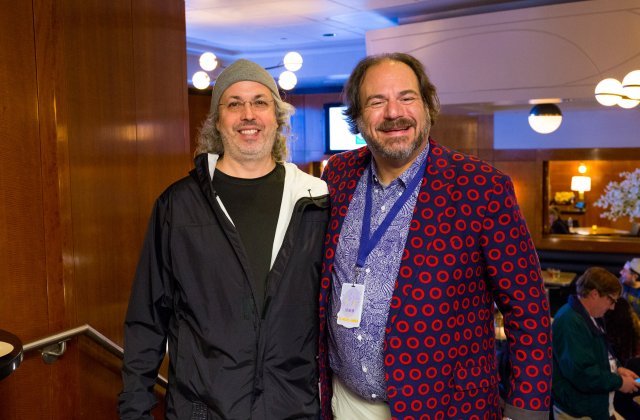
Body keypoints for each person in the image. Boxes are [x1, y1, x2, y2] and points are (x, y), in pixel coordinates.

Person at [318, 52, 552, 420]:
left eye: (407, 97)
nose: (394, 113)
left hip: (446, 407)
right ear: (358, 118)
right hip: (345, 402)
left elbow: (528, 309)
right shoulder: (338, 174)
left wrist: (526, 410)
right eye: (377, 101)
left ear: (428, 106)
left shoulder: (482, 188)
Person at [118, 59, 329, 419]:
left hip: (293, 408)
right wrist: (135, 410)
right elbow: (147, 318)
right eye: (234, 104)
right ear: (217, 121)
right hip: (203, 410)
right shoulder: (178, 205)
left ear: (277, 117)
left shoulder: (315, 201)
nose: (248, 114)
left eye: (260, 102)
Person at [552, 267, 640, 420]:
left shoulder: (590, 315)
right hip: (579, 412)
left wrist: (618, 368)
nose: (612, 307)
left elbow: (602, 352)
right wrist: (619, 383)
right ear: (594, 294)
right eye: (611, 300)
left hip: (597, 407)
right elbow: (582, 373)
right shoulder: (570, 321)